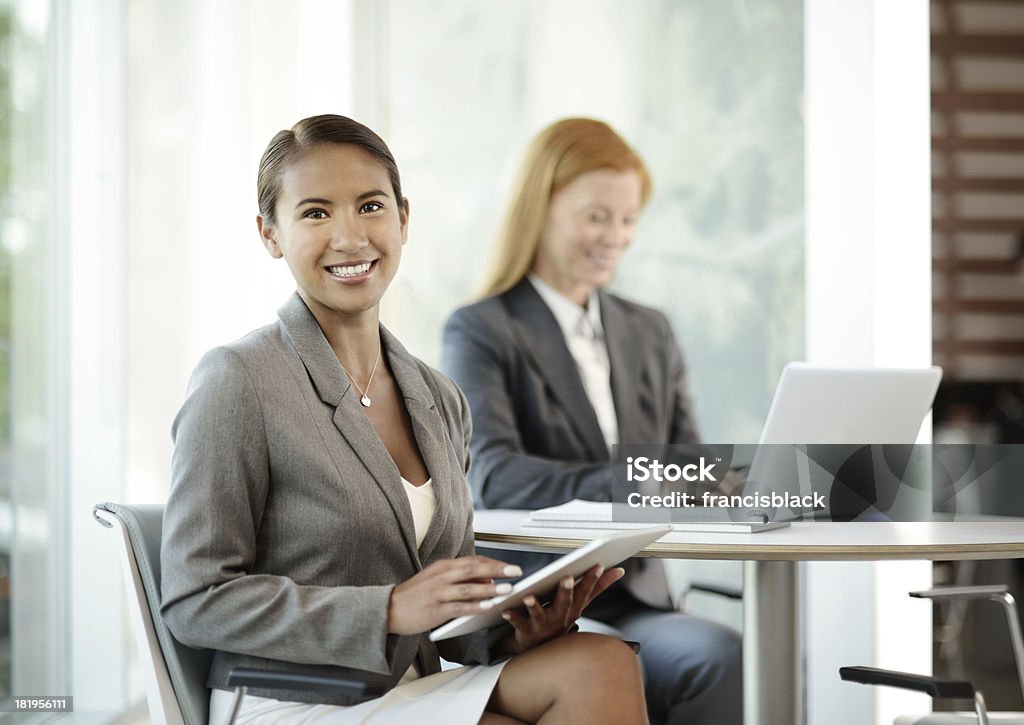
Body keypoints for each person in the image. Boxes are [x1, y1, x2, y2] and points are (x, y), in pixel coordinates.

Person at [159, 114, 649, 724]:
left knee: (601, 661)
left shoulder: (439, 397)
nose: (350, 236)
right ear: (270, 234)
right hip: (296, 698)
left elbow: (444, 620)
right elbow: (195, 598)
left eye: (370, 206)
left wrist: (516, 631)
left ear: (403, 218)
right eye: (315, 213)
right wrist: (386, 609)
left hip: (414, 686)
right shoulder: (238, 379)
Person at [441, 118, 743, 725]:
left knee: (722, 655)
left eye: (628, 219)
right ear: (540, 209)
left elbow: (690, 464)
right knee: (715, 657)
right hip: (542, 607)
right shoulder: (483, 329)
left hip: (640, 599)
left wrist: (738, 481)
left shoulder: (648, 330)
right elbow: (493, 476)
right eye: (597, 216)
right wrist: (636, 480)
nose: (617, 237)